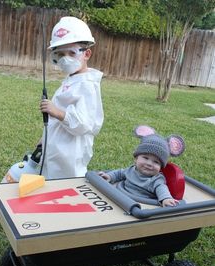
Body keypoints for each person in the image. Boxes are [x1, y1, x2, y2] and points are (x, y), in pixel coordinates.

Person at [39, 16, 104, 179]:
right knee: (51, 178)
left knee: (67, 183)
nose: (65, 59)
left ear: (86, 53)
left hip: (71, 151)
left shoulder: (87, 85)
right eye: (60, 54)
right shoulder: (72, 78)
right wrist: (44, 140)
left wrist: (58, 112)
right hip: (56, 147)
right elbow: (55, 120)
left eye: (71, 53)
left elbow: (85, 124)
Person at [99, 125, 185, 207]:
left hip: (139, 205)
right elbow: (119, 173)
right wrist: (109, 176)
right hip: (122, 197)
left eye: (156, 162)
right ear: (136, 158)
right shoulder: (131, 170)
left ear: (161, 167)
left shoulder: (156, 180)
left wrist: (166, 199)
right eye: (145, 158)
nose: (149, 163)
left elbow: (161, 189)